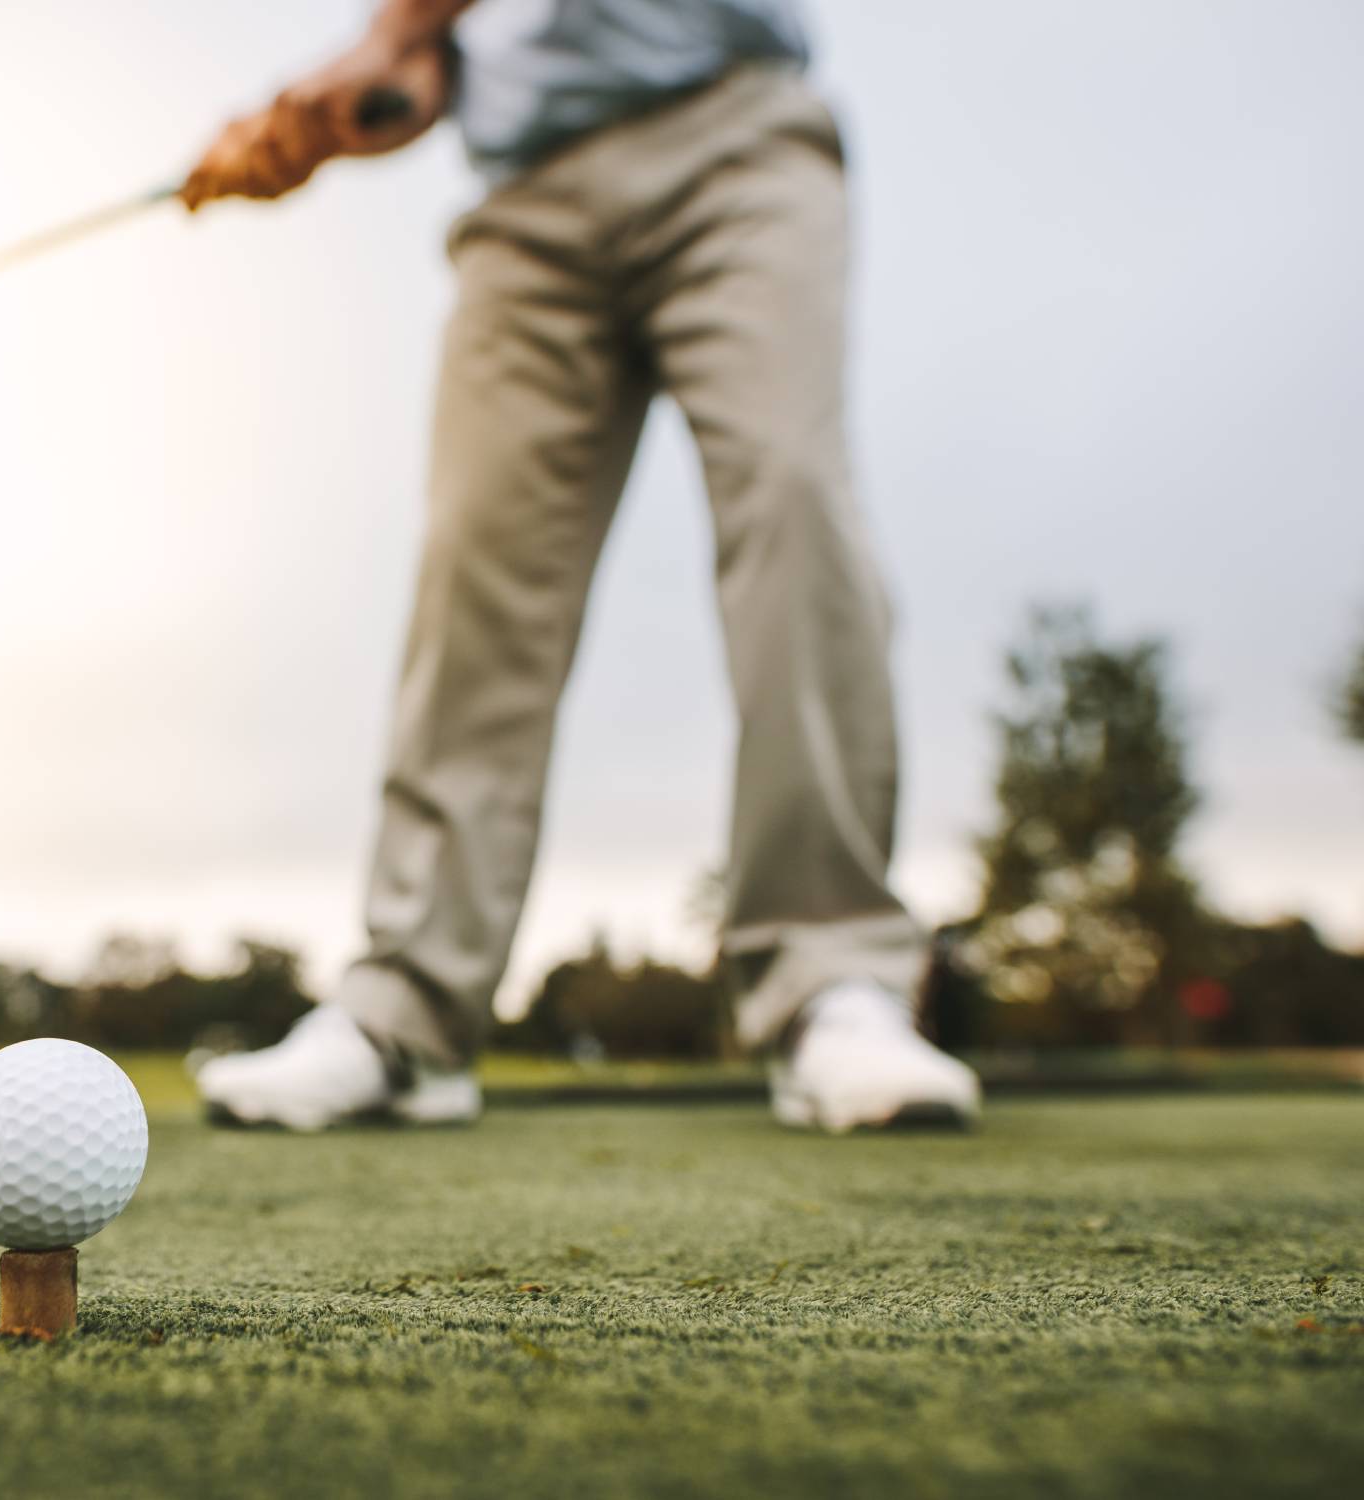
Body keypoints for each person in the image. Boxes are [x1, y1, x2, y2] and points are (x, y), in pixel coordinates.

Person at [179, 0, 979, 1133]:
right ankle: (404, 1014)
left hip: (734, 139)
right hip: (527, 198)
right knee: (474, 569)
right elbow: (439, 74)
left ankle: (831, 982)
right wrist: (362, 102)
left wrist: (371, 40)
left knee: (791, 500)